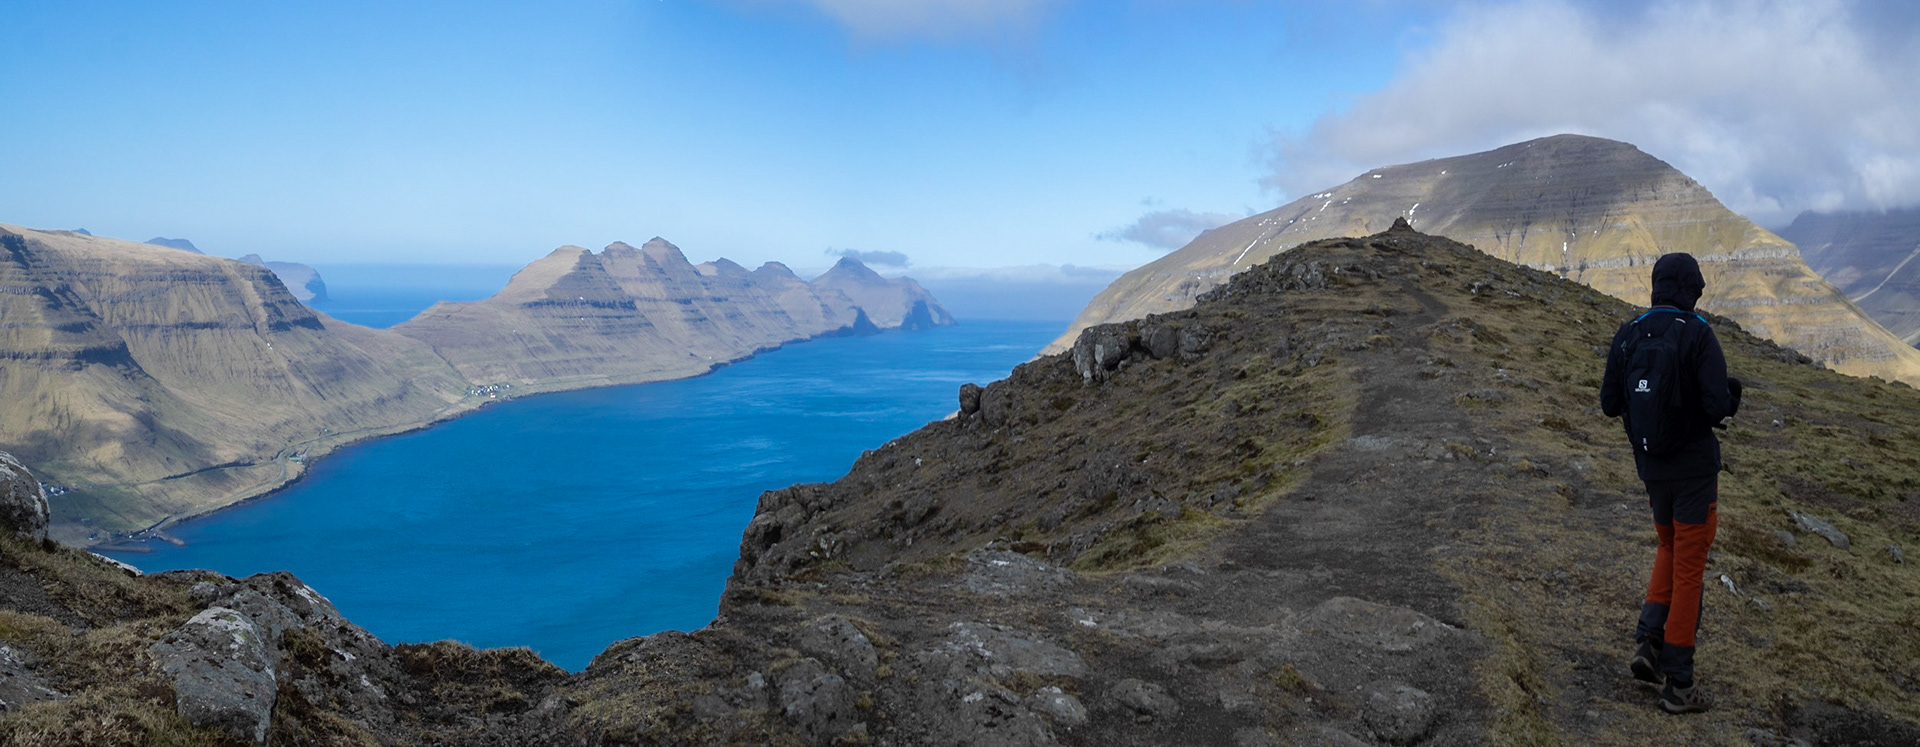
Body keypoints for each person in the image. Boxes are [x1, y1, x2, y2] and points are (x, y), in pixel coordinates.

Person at [1599, 252, 1742, 715]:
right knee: (1689, 567)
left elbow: (1608, 402)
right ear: (1690, 289)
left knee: (1668, 548)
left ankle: (1649, 643)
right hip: (1695, 473)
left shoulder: (1630, 333)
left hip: (1652, 469)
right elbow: (1717, 404)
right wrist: (1731, 397)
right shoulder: (1697, 333)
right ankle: (1680, 682)